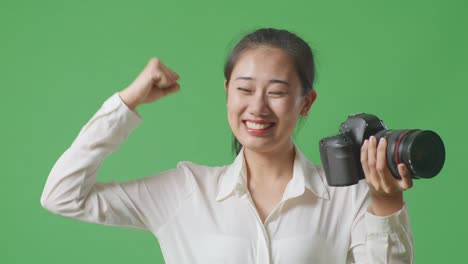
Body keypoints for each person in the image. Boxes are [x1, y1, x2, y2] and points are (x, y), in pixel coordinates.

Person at [40, 28, 414, 263]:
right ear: (227, 93)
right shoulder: (185, 192)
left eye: (278, 92)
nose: (258, 107)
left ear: (306, 102)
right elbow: (62, 196)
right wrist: (126, 103)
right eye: (245, 89)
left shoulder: (348, 196)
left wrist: (386, 203)